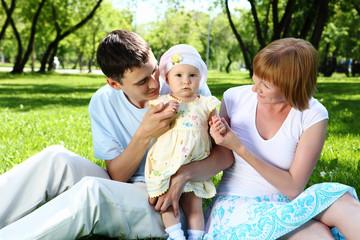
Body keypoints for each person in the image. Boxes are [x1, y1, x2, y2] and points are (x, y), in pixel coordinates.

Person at [0, 30, 233, 239]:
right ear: (114, 84)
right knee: (55, 158)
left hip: (170, 204)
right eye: (142, 81)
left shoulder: (184, 82)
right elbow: (117, 176)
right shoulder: (103, 100)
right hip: (126, 184)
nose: (154, 84)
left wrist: (182, 176)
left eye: (154, 71)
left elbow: (224, 155)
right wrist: (144, 134)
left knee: (93, 191)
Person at [205, 38, 360, 239]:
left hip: (287, 202)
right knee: (318, 234)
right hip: (237, 205)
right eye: (256, 76)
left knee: (342, 202)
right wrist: (182, 176)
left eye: (265, 85)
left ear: (292, 86)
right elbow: (221, 157)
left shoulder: (313, 114)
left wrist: (240, 147)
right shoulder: (234, 98)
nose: (255, 88)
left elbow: (293, 188)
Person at [145, 44, 226, 240]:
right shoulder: (162, 101)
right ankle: (176, 235)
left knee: (194, 204)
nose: (186, 81)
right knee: (165, 201)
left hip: (194, 163)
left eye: (192, 75)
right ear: (167, 79)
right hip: (167, 160)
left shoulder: (206, 103)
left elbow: (214, 126)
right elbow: (151, 123)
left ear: (200, 78)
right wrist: (166, 111)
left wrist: (219, 127)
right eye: (178, 75)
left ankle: (197, 236)